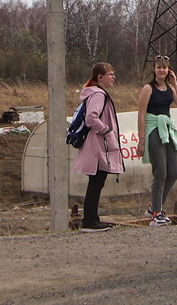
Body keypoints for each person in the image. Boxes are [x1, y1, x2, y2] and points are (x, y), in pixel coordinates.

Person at [72, 62, 124, 232]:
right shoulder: (98, 95)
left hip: (95, 144)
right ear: (100, 77)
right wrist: (106, 130)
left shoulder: (95, 93)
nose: (113, 77)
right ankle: (90, 221)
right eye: (110, 74)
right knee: (96, 181)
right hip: (97, 145)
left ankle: (92, 219)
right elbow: (91, 118)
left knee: (96, 182)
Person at [137, 55, 177, 226]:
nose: (161, 70)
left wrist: (175, 84)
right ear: (154, 69)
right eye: (159, 67)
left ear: (168, 70)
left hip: (167, 129)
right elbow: (141, 114)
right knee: (160, 172)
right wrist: (141, 140)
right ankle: (157, 213)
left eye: (164, 68)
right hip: (154, 129)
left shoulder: (169, 89)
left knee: (173, 171)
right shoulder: (148, 89)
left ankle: (154, 206)